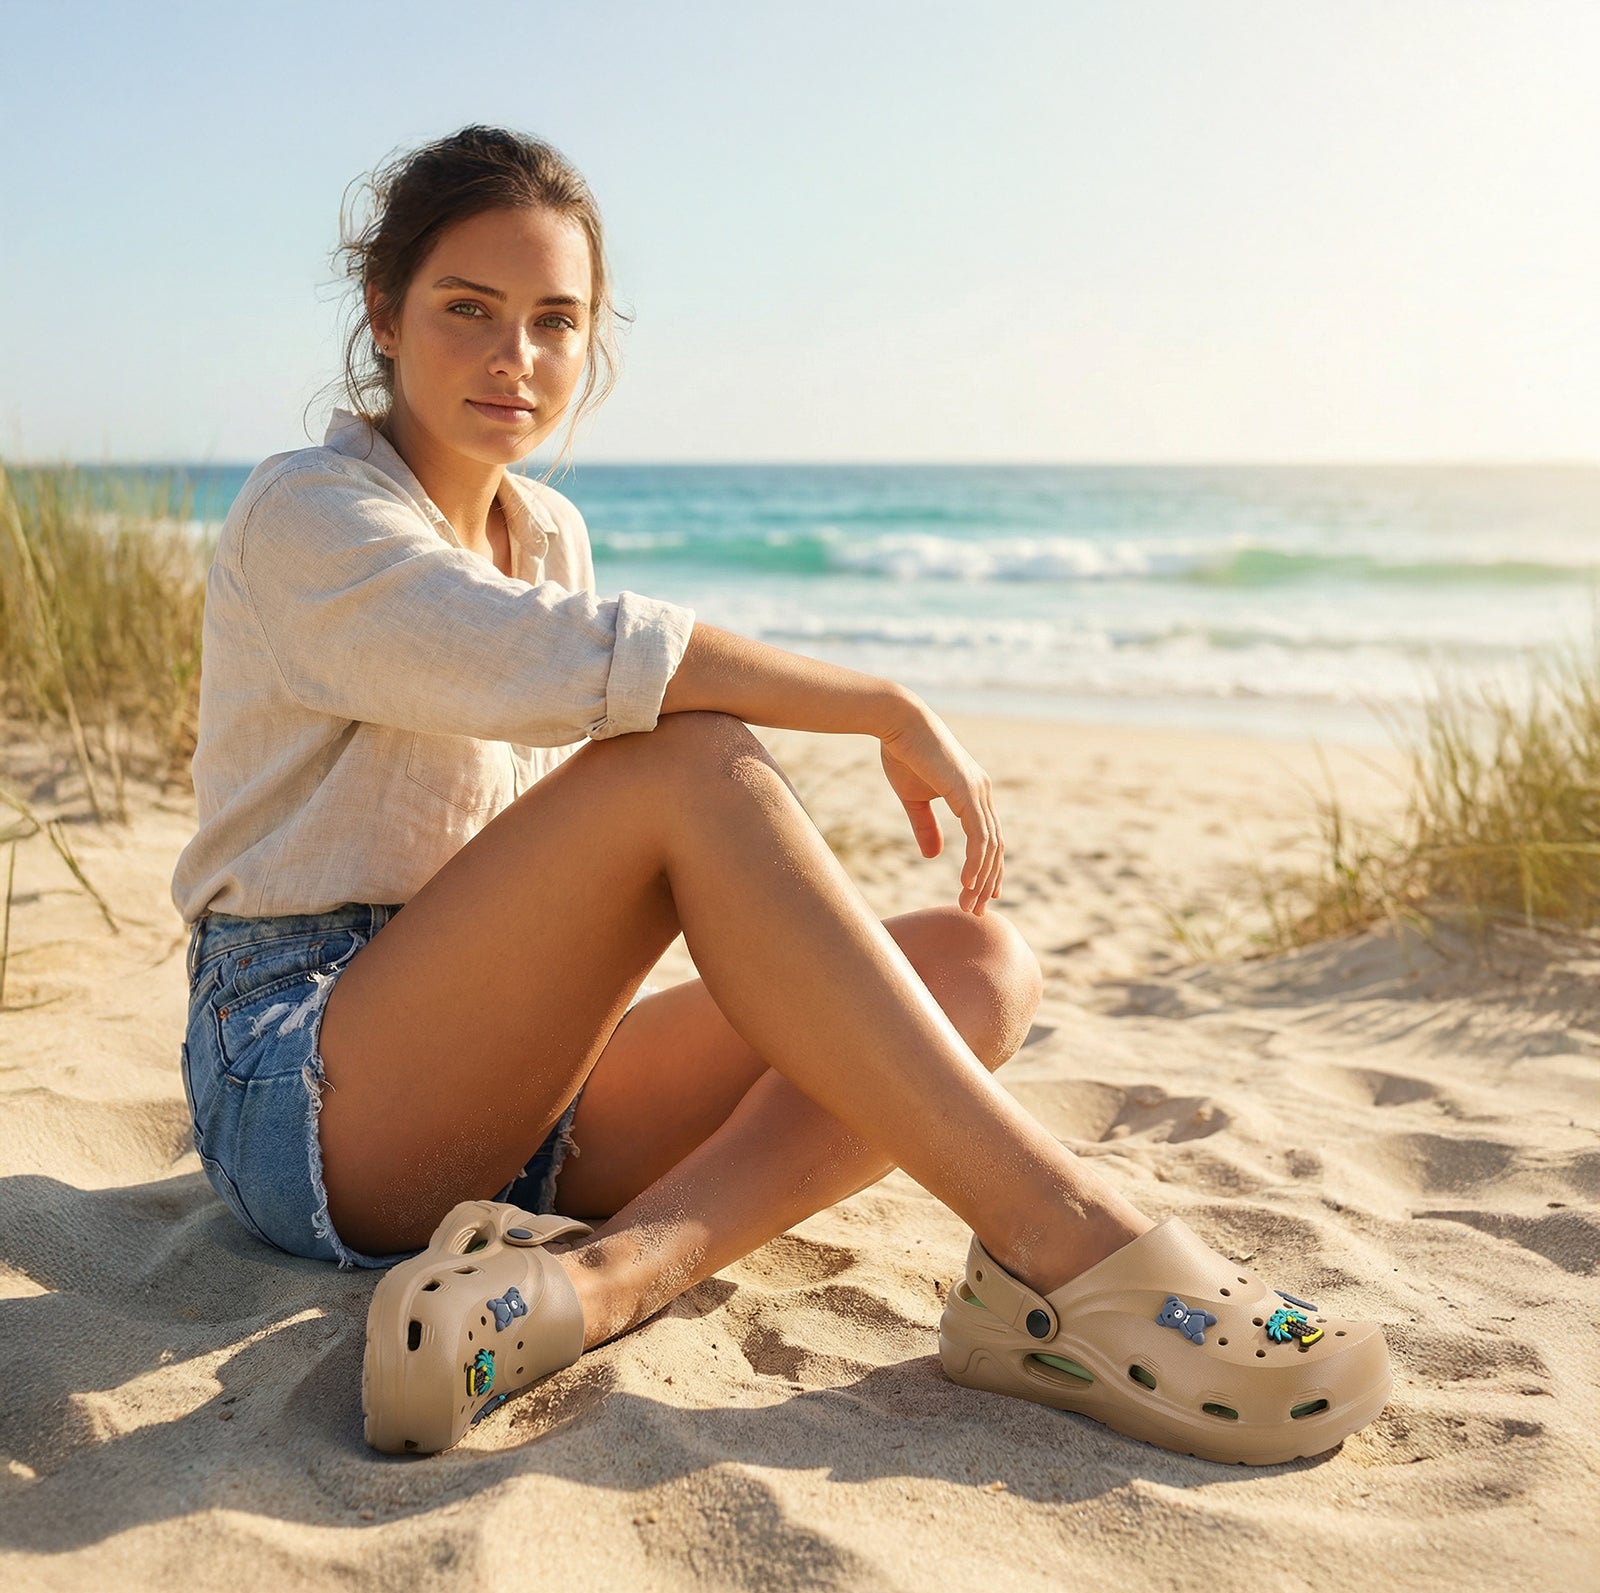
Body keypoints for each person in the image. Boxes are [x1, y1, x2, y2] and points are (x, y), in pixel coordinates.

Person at [172, 125, 1390, 1466]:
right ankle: (1071, 1242)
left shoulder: (549, 533)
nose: (516, 359)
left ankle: (609, 1279)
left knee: (977, 968)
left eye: (554, 321)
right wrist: (879, 700)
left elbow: (558, 767)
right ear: (384, 315)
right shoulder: (307, 511)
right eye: (469, 310)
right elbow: (554, 664)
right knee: (684, 754)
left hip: (517, 1087)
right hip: (307, 1087)